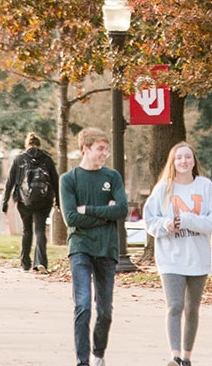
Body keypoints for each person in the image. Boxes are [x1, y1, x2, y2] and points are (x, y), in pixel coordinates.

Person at [144, 142, 212, 366]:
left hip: (197, 257)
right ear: (173, 162)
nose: (183, 161)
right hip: (171, 257)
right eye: (179, 158)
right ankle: (175, 356)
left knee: (192, 308)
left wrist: (188, 220)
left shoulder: (205, 187)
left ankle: (187, 356)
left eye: (188, 157)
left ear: (193, 161)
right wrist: (165, 225)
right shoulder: (164, 188)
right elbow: (150, 219)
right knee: (175, 305)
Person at [60, 127, 128, 366]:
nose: (104, 154)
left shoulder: (112, 177)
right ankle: (82, 361)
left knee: (105, 310)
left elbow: (121, 210)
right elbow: (71, 219)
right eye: (100, 149)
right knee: (83, 304)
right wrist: (106, 214)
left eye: (107, 150)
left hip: (107, 249)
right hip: (80, 247)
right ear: (85, 149)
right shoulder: (69, 180)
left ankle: (98, 354)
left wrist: (88, 209)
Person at [2, 132, 60, 273]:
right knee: (40, 230)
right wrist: (58, 200)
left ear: (26, 145)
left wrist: (5, 202)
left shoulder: (19, 160)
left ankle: (25, 263)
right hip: (43, 200)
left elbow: (10, 182)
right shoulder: (47, 159)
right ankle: (41, 262)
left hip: (24, 201)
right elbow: (55, 181)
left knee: (26, 230)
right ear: (39, 145)